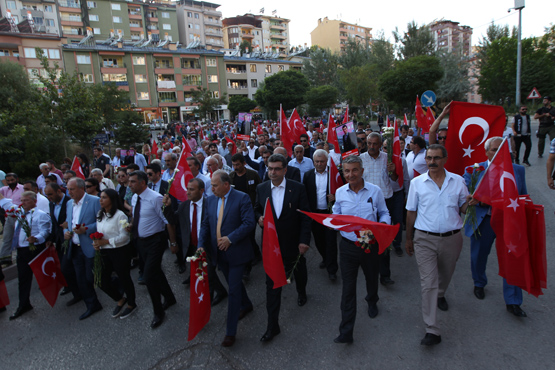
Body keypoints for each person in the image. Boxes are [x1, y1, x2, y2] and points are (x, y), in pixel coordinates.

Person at [405, 144, 470, 346]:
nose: (432, 162)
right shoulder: (417, 183)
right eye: (429, 158)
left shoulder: (458, 181)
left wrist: (471, 202)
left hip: (452, 238)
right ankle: (432, 329)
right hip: (424, 239)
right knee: (428, 283)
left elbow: (464, 208)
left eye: (436, 158)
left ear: (445, 159)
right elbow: (411, 213)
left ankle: (441, 293)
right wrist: (409, 238)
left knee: (446, 273)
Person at [464, 137, 528, 317]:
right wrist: (474, 200)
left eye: (502, 149)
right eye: (494, 149)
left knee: (512, 259)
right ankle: (479, 282)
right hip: (484, 221)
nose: (498, 153)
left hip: (509, 223)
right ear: (486, 152)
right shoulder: (474, 170)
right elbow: (465, 195)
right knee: (479, 256)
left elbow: (523, 197)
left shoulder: (518, 170)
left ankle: (513, 300)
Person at [332, 155, 390, 344]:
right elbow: (336, 214)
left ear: (362, 171)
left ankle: (372, 300)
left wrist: (382, 226)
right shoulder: (340, 192)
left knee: (371, 278)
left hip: (369, 245)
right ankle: (346, 331)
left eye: (355, 170)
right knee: (348, 289)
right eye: (347, 171)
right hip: (348, 246)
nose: (351, 174)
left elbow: (384, 212)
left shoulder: (375, 191)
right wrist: (335, 222)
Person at [254, 154, 311, 343]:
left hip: (294, 244)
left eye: (277, 168)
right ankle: (273, 326)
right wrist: (259, 219)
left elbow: (305, 217)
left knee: (299, 272)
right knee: (272, 287)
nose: (272, 172)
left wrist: (304, 241)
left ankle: (301, 291)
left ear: (285, 170)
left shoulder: (298, 188)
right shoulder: (261, 188)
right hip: (271, 247)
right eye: (270, 168)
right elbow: (256, 208)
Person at [197, 170, 255, 347]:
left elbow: (248, 223)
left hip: (237, 253)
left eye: (214, 185)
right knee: (233, 284)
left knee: (233, 290)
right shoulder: (210, 199)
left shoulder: (242, 198)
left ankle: (230, 332)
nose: (211, 188)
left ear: (226, 185)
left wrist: (230, 239)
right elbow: (206, 224)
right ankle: (246, 305)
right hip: (218, 254)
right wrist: (201, 244)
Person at [127, 171, 176, 329]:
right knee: (155, 271)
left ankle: (158, 311)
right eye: (129, 181)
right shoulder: (135, 198)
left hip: (155, 240)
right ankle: (169, 297)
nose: (130, 184)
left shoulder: (155, 198)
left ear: (142, 183)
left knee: (148, 277)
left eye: (133, 182)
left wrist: (173, 242)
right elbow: (137, 215)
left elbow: (167, 220)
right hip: (141, 242)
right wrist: (132, 226)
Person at [0, 191, 51, 320]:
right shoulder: (19, 213)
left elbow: (45, 231)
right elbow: (7, 204)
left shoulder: (40, 215)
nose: (23, 203)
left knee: (45, 275)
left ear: (34, 201)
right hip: (21, 251)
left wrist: (36, 238)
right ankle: (24, 304)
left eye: (26, 200)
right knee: (23, 278)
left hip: (34, 249)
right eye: (22, 200)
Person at [360, 133, 402, 287]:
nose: (371, 146)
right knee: (366, 237)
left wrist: (394, 171)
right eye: (369, 143)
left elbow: (396, 179)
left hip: (386, 202)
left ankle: (385, 275)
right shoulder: (361, 158)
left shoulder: (388, 158)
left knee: (384, 240)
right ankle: (367, 270)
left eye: (375, 144)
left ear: (380, 144)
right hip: (367, 204)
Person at [64, 178, 103, 320]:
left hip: (89, 245)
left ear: (81, 189)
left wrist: (86, 229)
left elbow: (101, 222)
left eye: (72, 189)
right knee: (81, 279)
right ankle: (92, 304)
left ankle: (118, 286)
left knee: (91, 276)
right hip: (75, 247)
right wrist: (66, 233)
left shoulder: (94, 201)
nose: (69, 192)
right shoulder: (69, 204)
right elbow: (69, 223)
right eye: (68, 189)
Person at [94, 189, 137, 319]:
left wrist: (106, 241)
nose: (101, 200)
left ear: (112, 199)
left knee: (124, 278)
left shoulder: (120, 215)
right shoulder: (100, 214)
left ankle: (131, 303)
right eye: (100, 197)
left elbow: (124, 237)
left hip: (119, 251)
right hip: (104, 251)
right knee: (101, 279)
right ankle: (119, 298)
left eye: (104, 197)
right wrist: (97, 243)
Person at [302, 149, 338, 281]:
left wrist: (335, 196)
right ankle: (325, 258)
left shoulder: (334, 174)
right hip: (315, 214)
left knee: (331, 242)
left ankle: (332, 269)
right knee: (318, 241)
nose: (319, 164)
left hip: (329, 214)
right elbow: (304, 194)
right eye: (316, 161)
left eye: (322, 161)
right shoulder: (308, 175)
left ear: (326, 161)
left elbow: (342, 189)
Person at [229, 153, 262, 279]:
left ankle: (248, 264)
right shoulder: (231, 176)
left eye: (237, 164)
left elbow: (259, 190)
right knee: (245, 237)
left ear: (243, 163)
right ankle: (256, 254)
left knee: (249, 236)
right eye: (233, 165)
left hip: (251, 211)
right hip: (237, 212)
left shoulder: (252, 174)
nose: (236, 167)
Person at [44, 183, 79, 299]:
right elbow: (55, 224)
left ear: (59, 191)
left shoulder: (70, 202)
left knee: (67, 268)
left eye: (50, 194)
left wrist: (68, 226)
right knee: (65, 269)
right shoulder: (52, 204)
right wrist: (51, 239)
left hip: (72, 239)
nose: (49, 197)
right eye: (47, 195)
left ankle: (81, 292)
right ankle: (74, 291)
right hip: (60, 241)